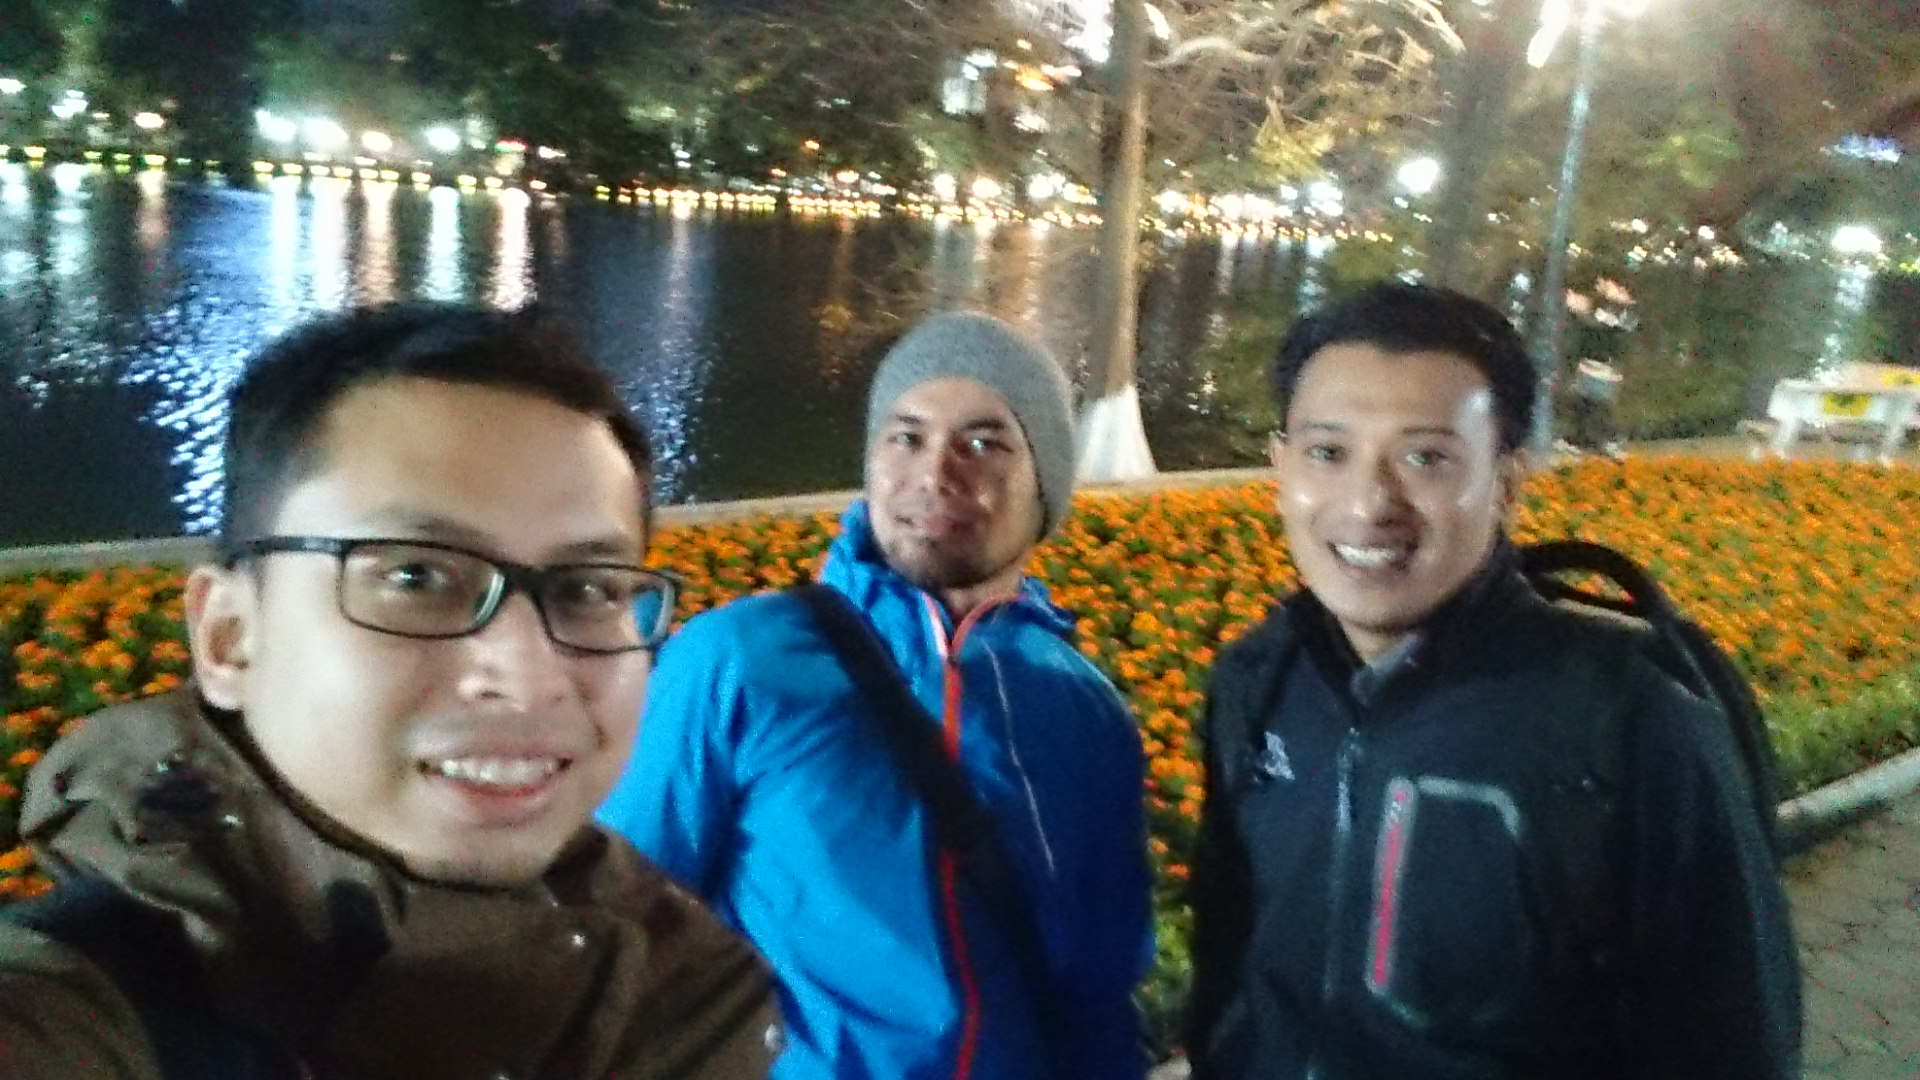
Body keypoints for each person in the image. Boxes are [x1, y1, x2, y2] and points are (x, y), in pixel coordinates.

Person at [0, 305, 781, 1079]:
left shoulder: (690, 989)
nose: (526, 677)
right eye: (415, 576)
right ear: (229, 637)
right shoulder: (81, 1009)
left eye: (588, 588)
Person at [1184, 283, 1801, 1080]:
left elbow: (1734, 1042)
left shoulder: (1630, 719)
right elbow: (1226, 970)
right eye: (1328, 453)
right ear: (1280, 466)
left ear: (1508, 479)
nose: (1369, 503)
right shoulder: (1258, 681)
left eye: (1427, 458)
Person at [600, 310, 1153, 1079]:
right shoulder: (738, 660)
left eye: (984, 443)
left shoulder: (1084, 713)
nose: (935, 473)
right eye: (906, 437)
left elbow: (1099, 997)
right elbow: (618, 932)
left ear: (1045, 487)